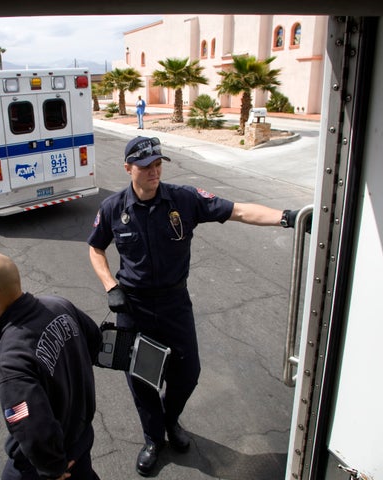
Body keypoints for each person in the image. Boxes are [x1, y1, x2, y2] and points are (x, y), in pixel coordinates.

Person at [86, 136, 306, 477]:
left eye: (158, 164)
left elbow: (239, 211)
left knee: (187, 373)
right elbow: (95, 249)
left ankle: (170, 420)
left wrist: (289, 217)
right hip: (134, 305)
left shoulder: (184, 199)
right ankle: (153, 440)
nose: (154, 172)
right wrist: (110, 286)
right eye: (145, 167)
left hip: (174, 302)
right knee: (143, 379)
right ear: (128, 168)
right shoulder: (113, 208)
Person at [0, 253, 102, 480]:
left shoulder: (10, 359)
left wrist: (52, 468)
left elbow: (31, 425)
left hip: (48, 462)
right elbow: (95, 341)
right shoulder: (60, 305)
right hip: (80, 437)